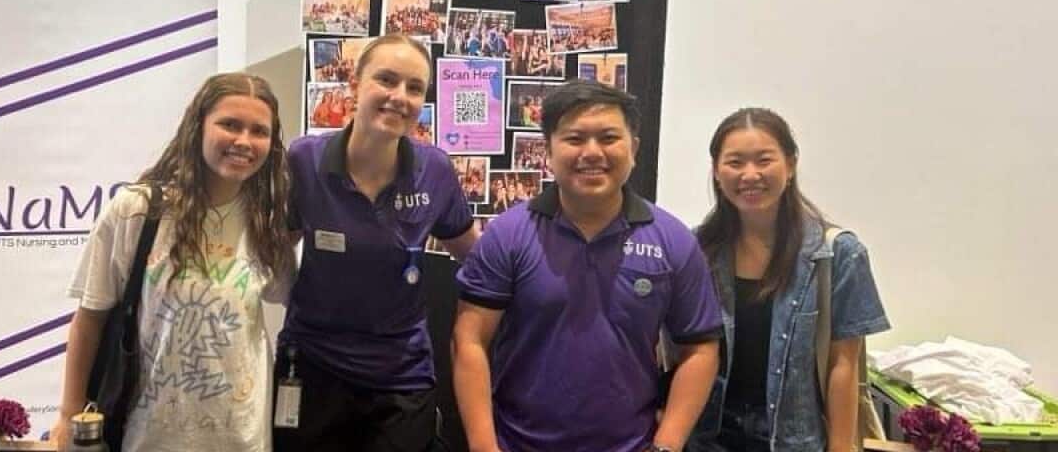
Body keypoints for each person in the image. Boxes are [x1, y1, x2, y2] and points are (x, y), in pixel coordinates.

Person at [453, 80, 722, 452]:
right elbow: (469, 341)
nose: (592, 152)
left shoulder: (673, 240)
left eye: (609, 137)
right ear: (548, 150)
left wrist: (667, 445)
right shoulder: (508, 235)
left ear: (634, 149)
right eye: (575, 139)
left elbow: (700, 349)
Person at [52, 73, 296, 452]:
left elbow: (284, 294)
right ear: (197, 126)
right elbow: (89, 320)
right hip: (146, 437)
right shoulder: (137, 211)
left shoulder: (268, 221)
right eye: (229, 124)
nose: (244, 141)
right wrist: (69, 415)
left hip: (241, 439)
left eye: (258, 131)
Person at [275, 33, 480, 452]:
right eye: (386, 80)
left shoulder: (435, 170)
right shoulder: (304, 161)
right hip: (313, 367)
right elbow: (273, 251)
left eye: (414, 88)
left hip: (400, 378)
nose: (399, 97)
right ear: (355, 84)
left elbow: (475, 257)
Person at [687, 109, 889, 452]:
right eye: (735, 162)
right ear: (716, 172)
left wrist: (841, 448)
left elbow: (843, 364)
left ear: (791, 165)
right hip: (707, 438)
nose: (750, 174)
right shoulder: (695, 252)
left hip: (794, 440)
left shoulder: (838, 253)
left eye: (764, 160)